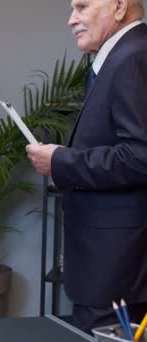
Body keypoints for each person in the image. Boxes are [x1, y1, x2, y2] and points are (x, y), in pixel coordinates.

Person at [26, 0, 147, 333]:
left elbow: (141, 156)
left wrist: (61, 160)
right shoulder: (121, 56)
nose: (71, 19)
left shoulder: (133, 57)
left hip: (117, 270)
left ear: (120, 6)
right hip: (109, 266)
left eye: (81, 6)